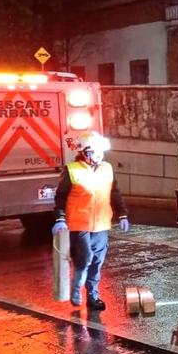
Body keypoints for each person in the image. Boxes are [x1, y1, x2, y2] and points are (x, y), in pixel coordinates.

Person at [52, 131, 130, 311]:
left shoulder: (106, 168)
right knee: (85, 259)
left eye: (101, 152)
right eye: (95, 152)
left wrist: (123, 214)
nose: (99, 156)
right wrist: (60, 218)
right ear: (85, 152)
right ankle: (78, 288)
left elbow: (114, 193)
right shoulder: (72, 170)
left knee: (97, 261)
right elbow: (61, 197)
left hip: (101, 224)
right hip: (79, 224)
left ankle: (93, 295)